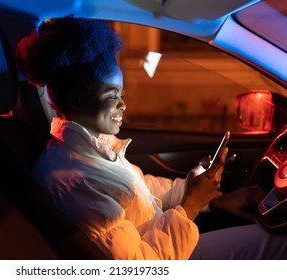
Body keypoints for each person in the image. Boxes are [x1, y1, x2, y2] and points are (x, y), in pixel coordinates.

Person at [16, 16, 287, 259]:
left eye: (122, 94)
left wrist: (209, 199)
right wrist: (190, 204)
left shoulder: (92, 147)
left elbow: (142, 191)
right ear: (76, 100)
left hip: (169, 243)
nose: (123, 105)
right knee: (278, 243)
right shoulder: (73, 181)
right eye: (112, 96)